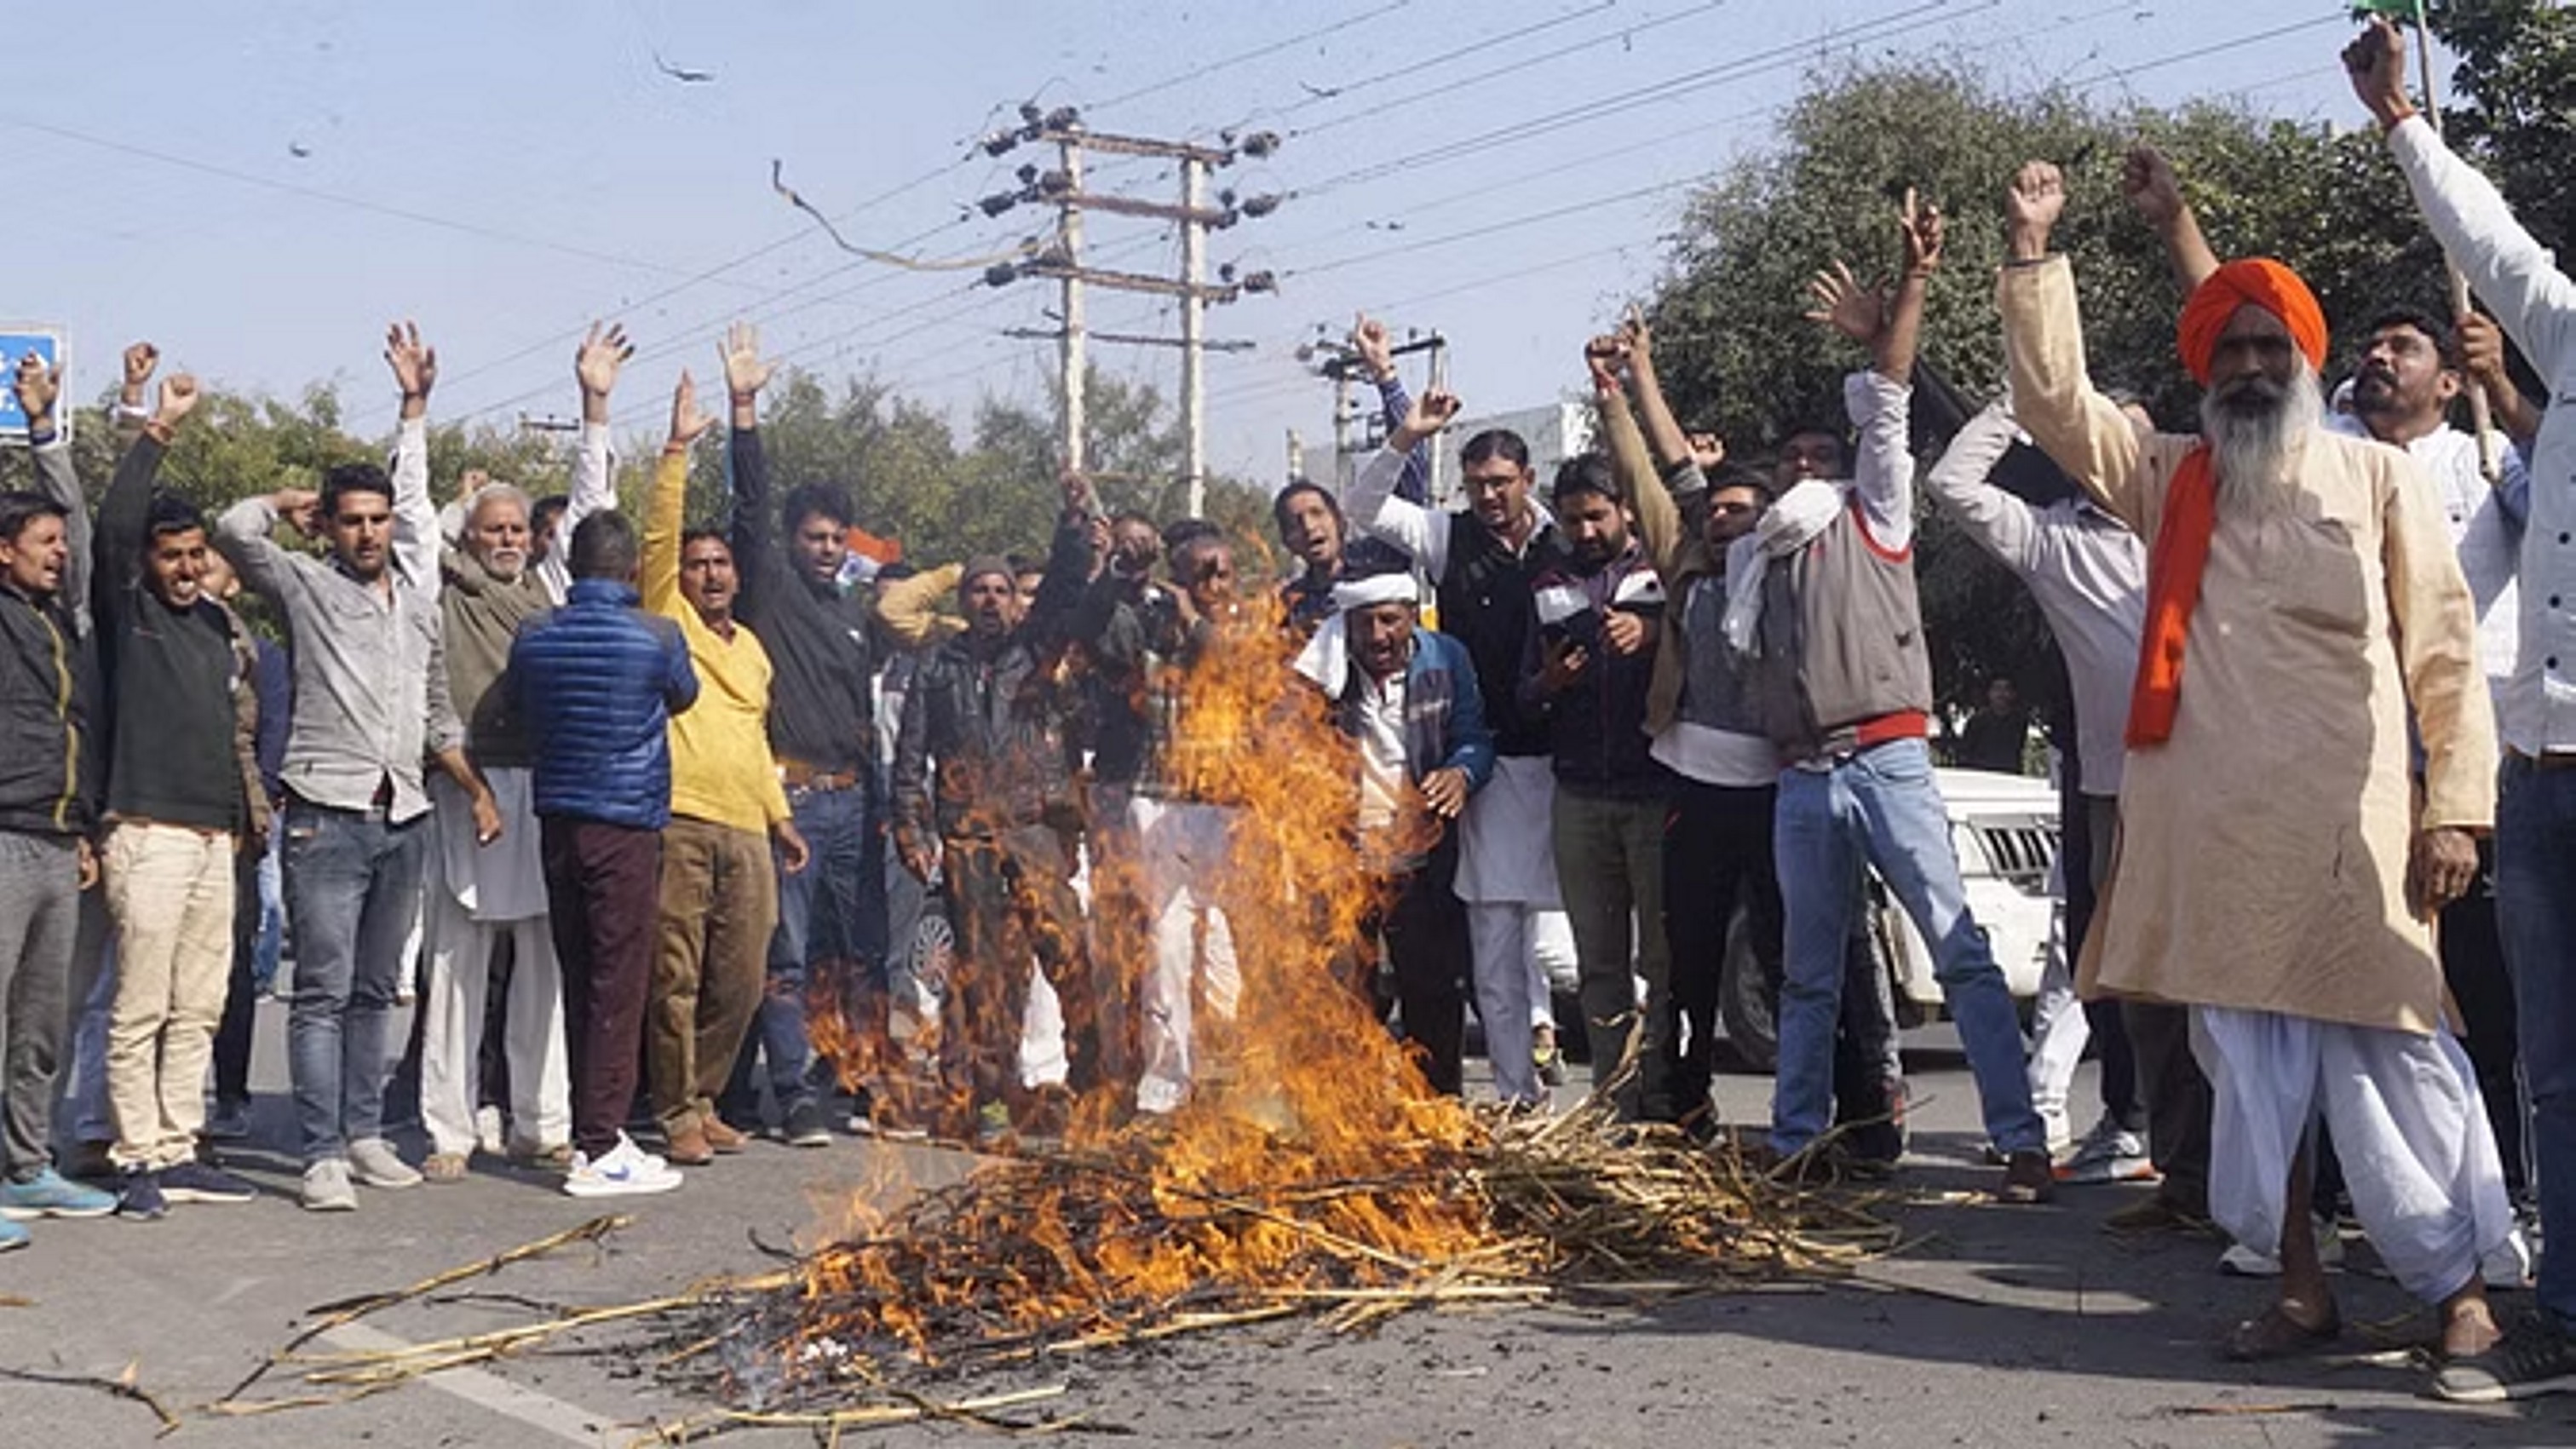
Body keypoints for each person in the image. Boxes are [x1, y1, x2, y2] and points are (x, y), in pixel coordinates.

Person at [1999, 147, 2512, 1372]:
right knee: (2257, 1083)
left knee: (2401, 1062)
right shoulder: (2172, 477)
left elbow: (2443, 654)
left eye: (2268, 350)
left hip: (2359, 829)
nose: (2246, 369)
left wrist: (2459, 812)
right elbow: (2054, 407)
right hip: (2219, 835)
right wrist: (2031, 253)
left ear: (2305, 362)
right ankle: (2300, 1290)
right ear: (2203, 371)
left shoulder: (2377, 475)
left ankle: (2463, 1293)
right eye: (2227, 353)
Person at [1733, 192, 2051, 1200]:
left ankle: (2019, 1137)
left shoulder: (1874, 514)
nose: (1806, 469)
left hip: (1887, 758)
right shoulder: (1757, 562)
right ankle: (1793, 1135)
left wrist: (1912, 283)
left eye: (1820, 456)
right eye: (1794, 460)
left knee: (1958, 955)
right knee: (1807, 975)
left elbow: (1891, 397)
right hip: (1803, 777)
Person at [2349, 14, 2576, 1396]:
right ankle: (2561, 1308)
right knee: (2547, 1066)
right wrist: (2397, 125)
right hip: (2540, 774)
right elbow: (2493, 244)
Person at [214, 323, 499, 1213]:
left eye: (378, 520)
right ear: (331, 528)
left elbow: (436, 713)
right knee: (322, 992)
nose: (370, 533)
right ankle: (320, 1151)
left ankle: (368, 1132)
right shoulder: (306, 584)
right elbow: (232, 528)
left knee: (381, 989)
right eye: (354, 520)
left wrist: (472, 787)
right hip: (324, 813)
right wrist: (285, 495)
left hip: (402, 814)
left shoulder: (416, 604)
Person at [1918, 396, 2154, 1186]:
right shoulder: (2056, 537)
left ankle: (2228, 1166)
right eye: (2105, 434)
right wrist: (2019, 402)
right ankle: (2138, 1127)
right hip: (2113, 784)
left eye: (2139, 435)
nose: (2126, 450)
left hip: (2219, 782)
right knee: (2112, 960)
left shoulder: (2196, 521)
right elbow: (1953, 482)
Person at [410, 338, 623, 1182]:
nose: (504, 538)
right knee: (458, 968)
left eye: (515, 528)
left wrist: (596, 406)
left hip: (546, 788)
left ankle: (542, 1124)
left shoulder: (552, 590)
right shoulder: (441, 584)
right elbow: (409, 511)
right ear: (471, 532)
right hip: (468, 785)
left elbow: (593, 503)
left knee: (545, 962)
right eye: (490, 527)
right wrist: (416, 411)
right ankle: (450, 1131)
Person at [1348, 382, 1578, 1110]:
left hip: (1579, 767)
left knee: (1583, 951)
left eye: (1501, 483)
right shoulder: (1448, 537)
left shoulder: (1568, 537)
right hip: (1492, 770)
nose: (1488, 497)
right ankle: (1518, 1100)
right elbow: (1363, 510)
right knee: (1496, 951)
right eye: (1477, 484)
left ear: (1528, 480)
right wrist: (1406, 434)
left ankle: (1638, 1101)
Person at [83, 361, 267, 1216]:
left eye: (196, 555)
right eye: (171, 556)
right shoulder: (133, 616)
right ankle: (135, 1155)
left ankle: (180, 1142)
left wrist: (237, 828)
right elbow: (117, 522)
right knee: (142, 1003)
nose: (186, 568)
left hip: (210, 838)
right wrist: (159, 429)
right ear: (147, 563)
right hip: (146, 831)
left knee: (201, 1003)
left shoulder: (213, 627)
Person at [1590, 319, 1780, 1135]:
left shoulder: (1787, 564)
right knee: (1689, 956)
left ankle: (1817, 1117)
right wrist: (1625, 383)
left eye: (1739, 510)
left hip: (1777, 787)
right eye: (1717, 510)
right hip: (1695, 786)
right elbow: (1654, 472)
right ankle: (1685, 1101)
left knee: (1784, 954)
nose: (1722, 521)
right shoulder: (1690, 563)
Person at [634, 369, 812, 1167]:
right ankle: (674, 1110)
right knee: (674, 972)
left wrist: (781, 818)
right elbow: (655, 543)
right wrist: (677, 452)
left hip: (749, 827)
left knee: (741, 975)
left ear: (737, 575)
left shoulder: (754, 649)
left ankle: (702, 1097)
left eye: (720, 564)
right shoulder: (671, 620)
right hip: (682, 818)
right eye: (698, 563)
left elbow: (752, 737)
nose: (709, 572)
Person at [718, 324, 885, 1147]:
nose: (826, 549)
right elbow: (748, 509)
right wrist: (744, 411)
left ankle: (840, 1075)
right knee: (782, 958)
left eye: (836, 539)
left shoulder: (851, 613)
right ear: (790, 542)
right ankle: (793, 1093)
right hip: (790, 801)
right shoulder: (773, 592)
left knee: (846, 958)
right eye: (814, 537)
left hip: (853, 805)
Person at [891, 485, 1096, 1141]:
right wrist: (910, 825)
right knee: (985, 976)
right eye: (978, 589)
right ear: (962, 601)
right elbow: (911, 754)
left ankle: (1094, 1088)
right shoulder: (936, 665)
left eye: (1001, 590)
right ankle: (990, 1096)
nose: (989, 600)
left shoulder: (1033, 652)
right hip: (967, 835)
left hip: (1033, 826)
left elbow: (1065, 587)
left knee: (1070, 957)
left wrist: (1071, 522)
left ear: (1015, 600)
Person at [509, 506, 699, 1196]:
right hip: (626, 820)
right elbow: (684, 694)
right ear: (631, 568)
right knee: (619, 983)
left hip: (558, 814)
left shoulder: (534, 633)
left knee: (580, 973)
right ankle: (599, 1143)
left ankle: (599, 1131)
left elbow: (521, 702)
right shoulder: (656, 635)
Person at [1294, 565, 1495, 1095]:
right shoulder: (1322, 676)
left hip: (1420, 860)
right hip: (1345, 862)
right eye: (1365, 625)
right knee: (1343, 1001)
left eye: (1390, 621)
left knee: (1431, 994)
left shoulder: (1446, 658)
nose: (1379, 636)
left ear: (1411, 617)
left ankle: (1439, 1116)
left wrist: (1461, 772)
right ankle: (1349, 1117)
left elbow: (1474, 737)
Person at [0, 357, 118, 1243]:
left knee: (43, 1021)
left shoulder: (61, 620)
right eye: (42, 545)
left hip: (54, 838)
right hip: (1, 838)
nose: (59, 554)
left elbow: (78, 518)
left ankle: (25, 1168)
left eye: (58, 545)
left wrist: (47, 433)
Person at [1515, 445, 1670, 1113]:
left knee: (1664, 965)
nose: (1584, 531)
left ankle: (1672, 1100)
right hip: (1579, 795)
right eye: (1573, 519)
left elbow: (1708, 648)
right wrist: (1549, 683)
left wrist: (1654, 633)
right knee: (1599, 966)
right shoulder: (1547, 583)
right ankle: (1619, 1105)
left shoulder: (1663, 571)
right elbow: (1522, 692)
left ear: (1626, 510)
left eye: (1596, 517)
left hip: (1657, 794)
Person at [1077, 526, 1249, 1114]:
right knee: (1168, 944)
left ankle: (1229, 1077)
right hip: (1161, 800)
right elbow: (1096, 629)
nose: (1214, 586)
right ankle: (1166, 1080)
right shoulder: (1150, 631)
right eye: (1200, 575)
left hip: (1231, 809)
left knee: (1228, 950)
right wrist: (1125, 571)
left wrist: (1193, 620)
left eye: (1223, 573)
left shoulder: (1250, 629)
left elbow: (1228, 664)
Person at [1952, 676, 2031, 774]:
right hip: (1981, 774)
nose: (2001, 694)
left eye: (2006, 689)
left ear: (2013, 694)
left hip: (2009, 775)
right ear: (1989, 693)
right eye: (1997, 689)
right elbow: (1965, 751)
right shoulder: (1978, 720)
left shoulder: (2019, 721)